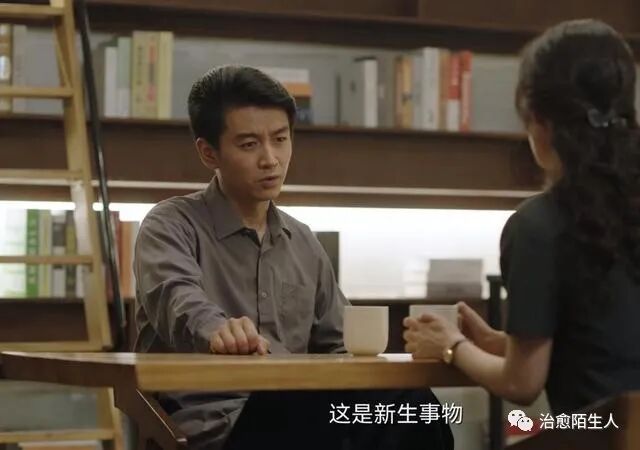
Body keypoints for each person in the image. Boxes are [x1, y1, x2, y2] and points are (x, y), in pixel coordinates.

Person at [134, 65, 453, 450]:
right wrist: (217, 330)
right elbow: (177, 300)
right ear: (208, 152)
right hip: (216, 427)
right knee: (306, 401)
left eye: (280, 139)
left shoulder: (302, 241)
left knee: (415, 404)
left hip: (301, 415)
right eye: (249, 145)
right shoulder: (170, 225)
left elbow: (340, 344)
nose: (271, 159)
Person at [404, 19, 640, 415]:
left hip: (598, 437)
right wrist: (497, 343)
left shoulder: (539, 225)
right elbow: (602, 348)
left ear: (540, 123)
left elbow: (521, 383)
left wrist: (450, 346)